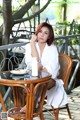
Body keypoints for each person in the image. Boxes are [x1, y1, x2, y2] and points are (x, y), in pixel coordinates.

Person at [20, 22, 67, 112]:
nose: (42, 35)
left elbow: (52, 71)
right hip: (32, 79)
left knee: (41, 82)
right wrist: (32, 44)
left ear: (49, 36)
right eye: (40, 32)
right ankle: (26, 111)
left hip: (50, 81)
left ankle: (30, 107)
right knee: (20, 86)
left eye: (46, 33)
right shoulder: (30, 46)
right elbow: (32, 64)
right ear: (36, 33)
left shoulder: (52, 48)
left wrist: (39, 67)